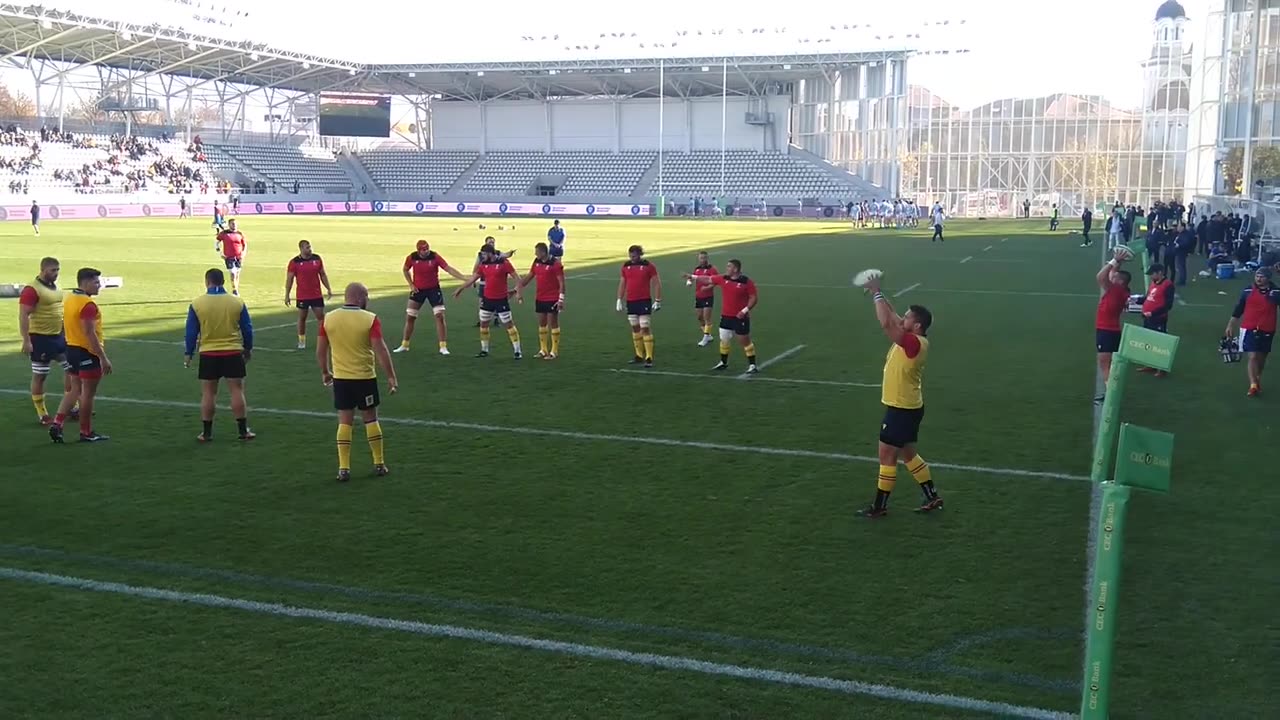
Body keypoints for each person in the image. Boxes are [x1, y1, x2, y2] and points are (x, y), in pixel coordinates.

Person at [854, 275, 940, 518]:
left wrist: (878, 296)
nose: (903, 318)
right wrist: (876, 293)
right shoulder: (913, 339)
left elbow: (886, 324)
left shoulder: (913, 343)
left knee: (886, 455)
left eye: (908, 316)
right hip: (909, 407)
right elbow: (891, 317)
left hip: (901, 409)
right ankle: (933, 496)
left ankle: (880, 507)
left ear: (917, 325)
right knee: (908, 454)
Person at [317, 282, 398, 482]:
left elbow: (320, 350)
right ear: (360, 297)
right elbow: (380, 350)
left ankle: (343, 468)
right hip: (364, 378)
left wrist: (326, 372)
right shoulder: (369, 320)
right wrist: (391, 376)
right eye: (367, 297)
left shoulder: (329, 319)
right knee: (370, 419)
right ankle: (379, 463)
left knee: (345, 421)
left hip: (341, 379)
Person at [184, 267, 255, 442]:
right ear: (223, 281)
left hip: (209, 353)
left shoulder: (197, 303)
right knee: (237, 391)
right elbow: (247, 328)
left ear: (207, 281)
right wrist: (248, 348)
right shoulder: (236, 302)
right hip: (232, 351)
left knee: (208, 393)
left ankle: (207, 433)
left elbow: (191, 332)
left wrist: (188, 353)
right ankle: (242, 430)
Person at [50, 267, 111, 443]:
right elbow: (89, 333)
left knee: (73, 390)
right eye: (96, 282)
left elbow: (64, 324)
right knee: (87, 395)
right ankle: (86, 432)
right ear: (85, 282)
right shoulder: (88, 304)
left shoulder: (70, 298)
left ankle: (58, 423)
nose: (99, 286)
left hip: (71, 350)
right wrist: (103, 357)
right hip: (87, 352)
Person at [18, 257, 74, 425]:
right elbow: (23, 315)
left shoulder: (56, 286)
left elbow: (58, 311)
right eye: (53, 270)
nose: (56, 273)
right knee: (40, 376)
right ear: (43, 270)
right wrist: (26, 340)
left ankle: (71, 405)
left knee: (71, 369)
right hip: (40, 338)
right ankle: (42, 414)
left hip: (58, 336)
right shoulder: (31, 289)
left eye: (57, 270)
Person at [394, 240, 468, 355]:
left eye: (427, 248)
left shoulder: (435, 257)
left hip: (433, 289)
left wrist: (463, 278)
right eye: (424, 250)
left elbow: (448, 268)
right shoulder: (412, 258)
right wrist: (411, 284)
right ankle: (405, 344)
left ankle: (443, 346)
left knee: (439, 316)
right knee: (410, 316)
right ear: (418, 250)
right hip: (418, 290)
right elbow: (405, 269)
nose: (426, 251)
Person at [685, 259, 759, 373]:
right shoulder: (723, 278)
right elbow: (708, 279)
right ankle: (723, 362)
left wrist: (744, 311)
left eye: (729, 266)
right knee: (724, 339)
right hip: (726, 316)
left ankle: (752, 365)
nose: (727, 268)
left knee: (744, 340)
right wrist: (693, 277)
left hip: (740, 317)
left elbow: (753, 298)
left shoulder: (746, 282)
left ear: (735, 269)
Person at [454, 245, 524, 359]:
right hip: (487, 299)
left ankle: (517, 351)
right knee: (484, 324)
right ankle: (484, 350)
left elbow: (517, 278)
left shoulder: (504, 263)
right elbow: (473, 278)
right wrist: (460, 288)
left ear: (490, 253)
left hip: (501, 299)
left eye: (484, 254)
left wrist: (517, 291)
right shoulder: (483, 265)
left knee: (509, 324)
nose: (482, 256)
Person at [1226, 267, 1280, 398]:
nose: (1258, 279)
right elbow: (1239, 308)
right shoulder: (1247, 290)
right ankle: (1253, 385)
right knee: (1252, 356)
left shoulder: (1276, 292)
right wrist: (1230, 324)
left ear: (1268, 278)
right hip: (1249, 327)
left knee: (1261, 358)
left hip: (1267, 328)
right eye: (1257, 276)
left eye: (1262, 277)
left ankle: (1257, 379)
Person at [1094, 248, 1133, 404]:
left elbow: (1101, 277)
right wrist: (1118, 263)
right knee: (1108, 364)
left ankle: (1111, 395)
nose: (1112, 277)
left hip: (1106, 330)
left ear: (1120, 281)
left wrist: (1114, 261)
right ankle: (1111, 391)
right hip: (1111, 330)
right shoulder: (1120, 290)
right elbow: (1109, 275)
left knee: (1105, 364)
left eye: (1115, 277)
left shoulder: (1116, 290)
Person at [517, 242, 566, 359]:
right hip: (540, 297)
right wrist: (517, 288)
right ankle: (543, 349)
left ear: (543, 252)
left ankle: (554, 351)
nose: (535, 254)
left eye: (537, 252)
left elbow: (562, 283)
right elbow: (530, 276)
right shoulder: (536, 262)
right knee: (542, 323)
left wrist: (561, 299)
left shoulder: (555, 264)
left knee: (553, 323)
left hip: (552, 297)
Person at [616, 244, 662, 367]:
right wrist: (619, 299)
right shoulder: (626, 266)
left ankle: (649, 357)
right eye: (630, 256)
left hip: (644, 301)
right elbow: (622, 282)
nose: (632, 258)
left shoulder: (648, 266)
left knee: (645, 327)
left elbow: (657, 283)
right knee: (635, 327)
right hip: (631, 301)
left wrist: (658, 300)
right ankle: (639, 355)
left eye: (634, 256)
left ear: (640, 255)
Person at [285, 239, 333, 350]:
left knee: (321, 316)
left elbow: (323, 275)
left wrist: (328, 288)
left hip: (316, 294)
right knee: (302, 318)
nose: (310, 249)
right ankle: (302, 341)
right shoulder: (294, 262)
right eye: (307, 247)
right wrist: (287, 295)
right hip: (302, 295)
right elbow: (289, 279)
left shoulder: (317, 259)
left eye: (310, 247)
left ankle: (324, 338)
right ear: (301, 249)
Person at [1138, 263, 1175, 378]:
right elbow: (1148, 297)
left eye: (1152, 274)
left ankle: (1161, 368)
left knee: (1159, 343)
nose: (1151, 276)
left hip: (1158, 319)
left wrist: (1153, 313)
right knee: (1149, 342)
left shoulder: (1168, 285)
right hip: (1147, 318)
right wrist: (1135, 300)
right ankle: (1150, 364)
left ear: (1160, 273)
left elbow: (1168, 305)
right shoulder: (1154, 283)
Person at [689, 251, 718, 347]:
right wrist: (689, 281)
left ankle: (705, 338)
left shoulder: (712, 269)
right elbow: (693, 277)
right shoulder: (697, 269)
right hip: (698, 296)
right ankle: (708, 335)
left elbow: (715, 281)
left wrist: (707, 288)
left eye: (704, 258)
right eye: (701, 258)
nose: (703, 260)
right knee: (699, 317)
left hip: (708, 296)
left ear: (707, 258)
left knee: (706, 317)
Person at [215, 218, 247, 295]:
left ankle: (236, 288)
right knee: (233, 272)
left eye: (235, 224)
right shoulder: (224, 233)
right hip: (229, 257)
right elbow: (217, 242)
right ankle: (234, 290)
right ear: (229, 225)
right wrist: (220, 253)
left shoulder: (240, 234)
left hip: (238, 257)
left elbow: (244, 245)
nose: (234, 225)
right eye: (232, 224)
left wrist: (243, 253)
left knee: (237, 273)